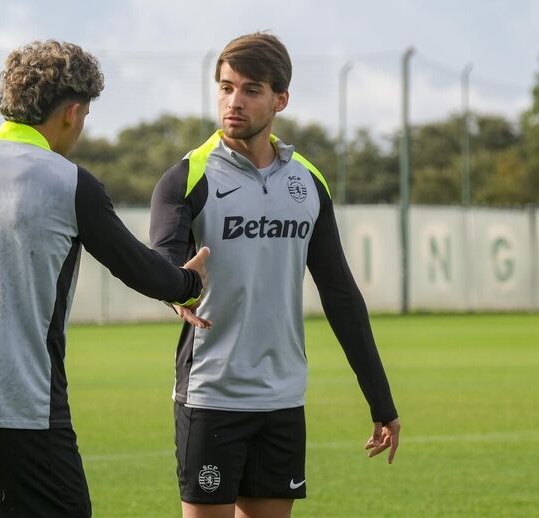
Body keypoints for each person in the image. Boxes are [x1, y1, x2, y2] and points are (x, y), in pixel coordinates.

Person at [0, 40, 210, 518]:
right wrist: (188, 284)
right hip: (23, 411)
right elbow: (141, 270)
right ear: (72, 112)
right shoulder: (67, 181)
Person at [150, 32, 400, 518]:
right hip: (212, 394)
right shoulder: (186, 179)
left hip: (283, 399)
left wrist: (381, 402)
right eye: (225, 88)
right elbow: (163, 259)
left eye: (250, 90)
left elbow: (341, 295)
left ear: (280, 98)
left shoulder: (307, 181)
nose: (233, 102)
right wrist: (175, 288)